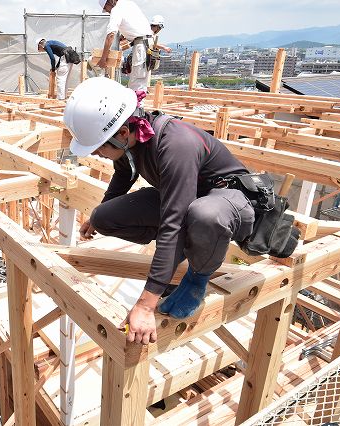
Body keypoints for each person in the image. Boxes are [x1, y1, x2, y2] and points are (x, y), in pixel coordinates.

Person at [64, 77, 256, 345]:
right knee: (105, 217)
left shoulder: (175, 145)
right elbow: (123, 175)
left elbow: (173, 223)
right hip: (187, 199)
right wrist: (97, 215)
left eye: (99, 146)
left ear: (122, 134)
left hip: (227, 202)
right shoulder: (133, 140)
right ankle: (179, 252)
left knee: (202, 216)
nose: (96, 153)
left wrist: (145, 304)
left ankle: (197, 277)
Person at [97, 0, 153, 92]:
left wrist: (103, 59)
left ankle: (138, 105)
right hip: (146, 42)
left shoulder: (116, 10)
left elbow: (111, 35)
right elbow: (133, 23)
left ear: (109, 2)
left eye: (106, 9)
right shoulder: (127, 3)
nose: (107, 12)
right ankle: (138, 104)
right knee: (141, 78)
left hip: (141, 45)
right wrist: (125, 35)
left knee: (137, 80)